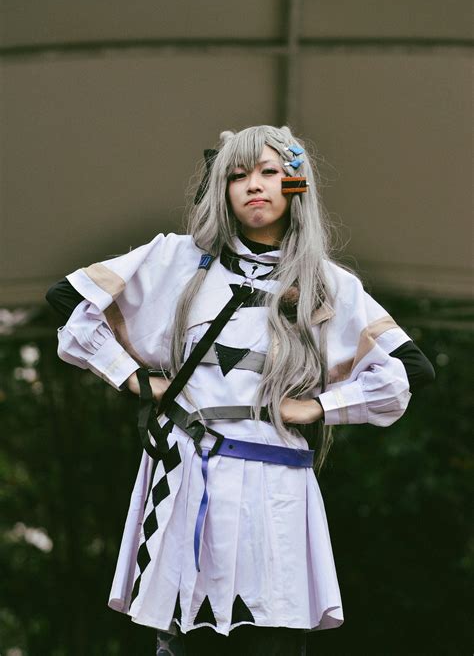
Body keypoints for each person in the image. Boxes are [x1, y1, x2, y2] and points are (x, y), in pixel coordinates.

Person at [46, 125, 435, 655]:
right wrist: (138, 380)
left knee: (271, 633)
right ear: (222, 188)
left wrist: (317, 408)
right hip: (187, 475)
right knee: (186, 635)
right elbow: (69, 299)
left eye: (269, 172)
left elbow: (408, 369)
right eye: (238, 175)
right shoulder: (177, 259)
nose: (254, 184)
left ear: (294, 184)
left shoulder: (328, 284)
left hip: (277, 482)